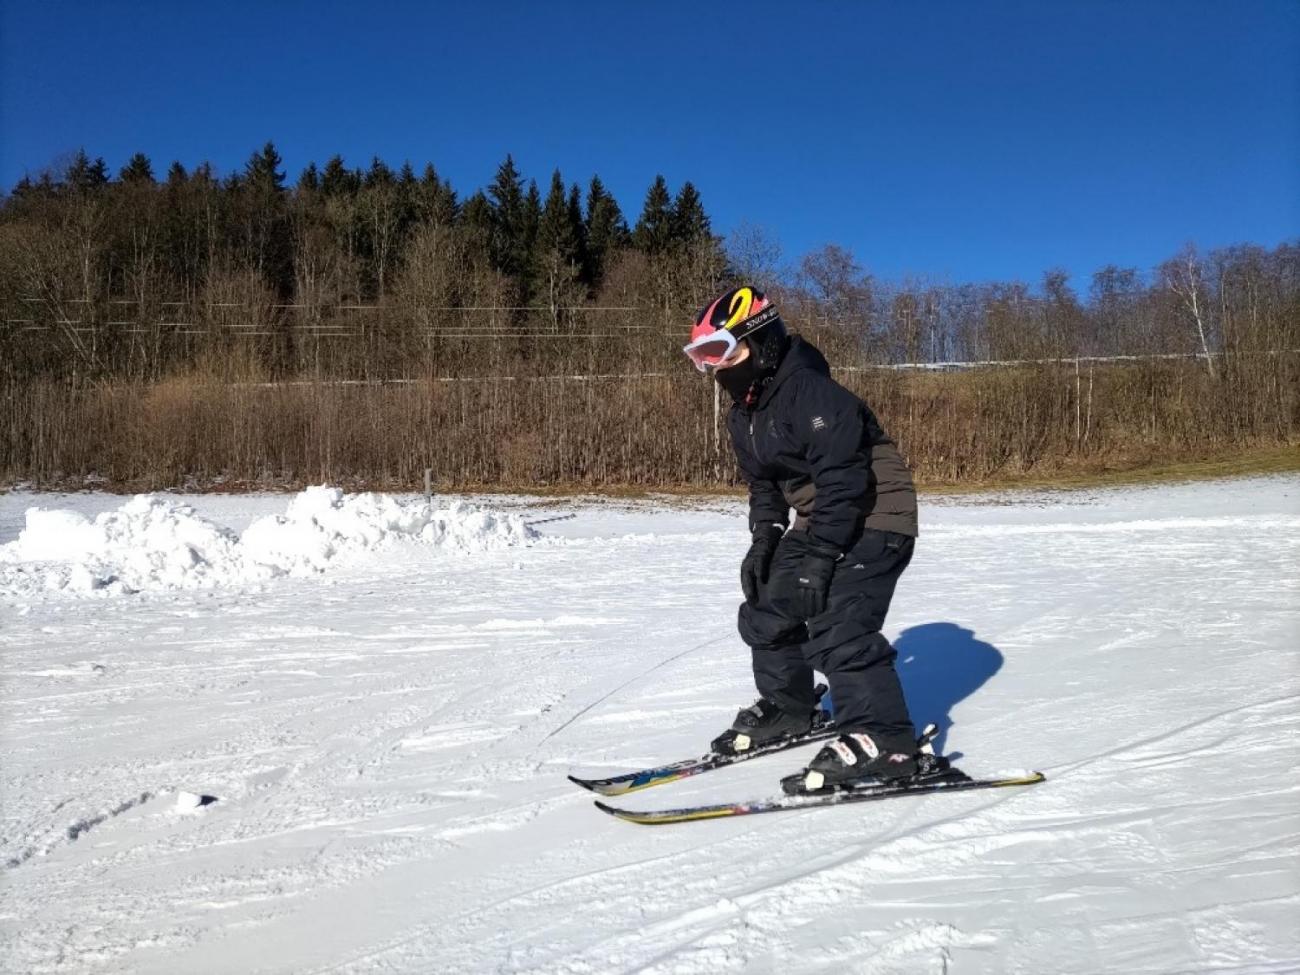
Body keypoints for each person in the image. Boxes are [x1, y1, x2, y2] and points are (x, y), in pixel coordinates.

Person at [683, 285, 921, 792]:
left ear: (761, 342)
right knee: (769, 605)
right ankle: (789, 710)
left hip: (878, 515)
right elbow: (765, 486)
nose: (715, 370)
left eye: (722, 353)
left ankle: (886, 739)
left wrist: (821, 556)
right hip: (823, 519)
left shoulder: (811, 392)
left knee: (838, 622)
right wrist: (764, 540)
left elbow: (845, 481)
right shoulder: (745, 414)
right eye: (703, 359)